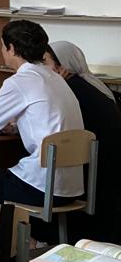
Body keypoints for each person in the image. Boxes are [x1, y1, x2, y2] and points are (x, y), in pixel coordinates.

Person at [0, 20, 83, 243]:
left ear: (11, 49)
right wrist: (15, 125)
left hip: (43, 187)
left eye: (3, 46)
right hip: (72, 187)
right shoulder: (57, 79)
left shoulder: (19, 82)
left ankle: (2, 248)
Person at [45, 41, 121, 243]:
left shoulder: (70, 90)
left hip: (93, 173)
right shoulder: (95, 85)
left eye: (45, 62)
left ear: (62, 67)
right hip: (107, 172)